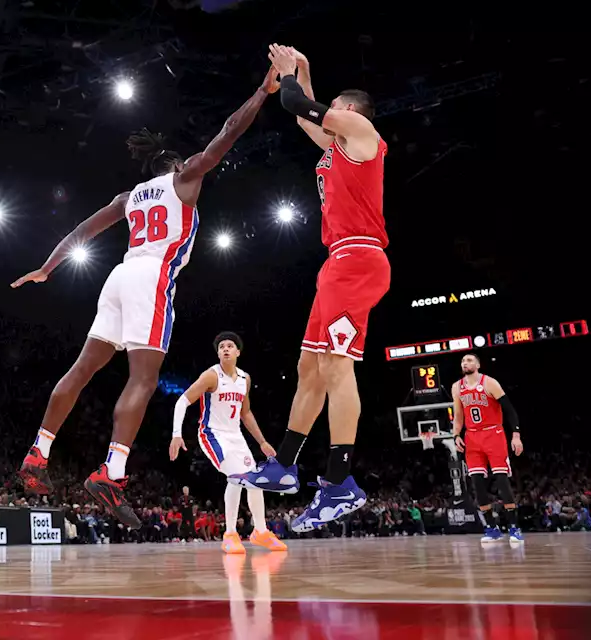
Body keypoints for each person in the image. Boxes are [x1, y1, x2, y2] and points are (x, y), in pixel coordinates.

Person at [12, 61, 280, 527]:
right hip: (152, 277)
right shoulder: (184, 179)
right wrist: (262, 90)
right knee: (144, 378)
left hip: (118, 274)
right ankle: (112, 472)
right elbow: (228, 132)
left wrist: (47, 267)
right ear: (176, 167)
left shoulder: (128, 196)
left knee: (83, 368)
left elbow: (83, 229)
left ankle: (39, 451)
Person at [237, 45, 390, 533]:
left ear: (349, 112)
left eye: (336, 110)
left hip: (361, 258)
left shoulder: (365, 136)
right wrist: (302, 69)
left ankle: (340, 481)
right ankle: (284, 465)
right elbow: (305, 116)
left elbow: (296, 106)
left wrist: (290, 79)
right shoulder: (336, 148)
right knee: (309, 367)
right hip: (335, 263)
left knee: (336, 365)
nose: (330, 116)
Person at [170, 332, 286, 554]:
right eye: (221, 346)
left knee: (255, 480)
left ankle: (260, 532)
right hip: (212, 434)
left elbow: (246, 412)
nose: (225, 348)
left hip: (236, 436)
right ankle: (230, 534)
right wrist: (177, 433)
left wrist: (261, 441)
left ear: (238, 352)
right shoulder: (211, 376)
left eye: (230, 345)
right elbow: (182, 401)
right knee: (237, 477)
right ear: (218, 353)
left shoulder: (245, 379)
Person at [451, 353, 525, 545]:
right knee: (477, 484)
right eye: (463, 361)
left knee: (502, 481)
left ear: (477, 364)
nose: (465, 363)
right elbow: (458, 415)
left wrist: (515, 436)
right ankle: (492, 528)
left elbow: (509, 410)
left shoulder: (490, 383)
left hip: (494, 434)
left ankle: (514, 528)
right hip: (472, 437)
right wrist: (456, 435)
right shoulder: (457, 387)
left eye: (469, 360)